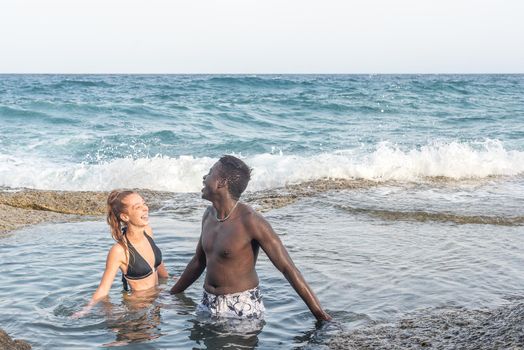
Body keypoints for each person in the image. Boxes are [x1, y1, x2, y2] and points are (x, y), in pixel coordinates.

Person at [170, 155, 331, 321]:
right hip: (207, 302)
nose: (204, 177)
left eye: (210, 173)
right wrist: (172, 293)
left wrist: (321, 316)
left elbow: (288, 268)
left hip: (241, 307)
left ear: (222, 182)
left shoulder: (251, 221)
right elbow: (198, 261)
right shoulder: (209, 215)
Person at [72, 190, 169, 318]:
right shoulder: (119, 251)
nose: (145, 208)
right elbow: (103, 290)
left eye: (144, 204)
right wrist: (86, 309)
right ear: (125, 217)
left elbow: (157, 265)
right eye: (137, 207)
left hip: (158, 300)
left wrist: (171, 281)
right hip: (137, 310)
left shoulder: (148, 232)